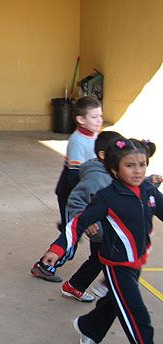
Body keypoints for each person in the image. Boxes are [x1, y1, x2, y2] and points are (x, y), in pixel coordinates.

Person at [41, 138, 161, 344]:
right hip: (116, 265)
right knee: (136, 315)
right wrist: (58, 249)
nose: (138, 171)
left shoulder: (148, 191)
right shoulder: (107, 197)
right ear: (115, 168)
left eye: (142, 164)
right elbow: (79, 222)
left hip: (136, 262)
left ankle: (89, 328)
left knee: (114, 304)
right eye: (130, 165)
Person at [61, 134, 161, 302]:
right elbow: (76, 199)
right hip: (102, 227)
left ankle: (77, 286)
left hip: (111, 227)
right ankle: (102, 284)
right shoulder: (96, 176)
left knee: (99, 258)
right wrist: (86, 219)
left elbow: (132, 185)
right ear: (104, 156)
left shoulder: (116, 174)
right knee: (107, 258)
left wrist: (151, 181)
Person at [31, 96, 103, 282]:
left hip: (83, 193)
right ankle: (44, 266)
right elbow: (73, 176)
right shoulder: (78, 141)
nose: (99, 120)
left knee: (75, 231)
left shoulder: (94, 136)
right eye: (94, 117)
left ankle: (67, 226)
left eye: (100, 116)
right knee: (72, 238)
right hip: (72, 195)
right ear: (81, 120)